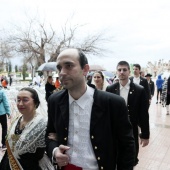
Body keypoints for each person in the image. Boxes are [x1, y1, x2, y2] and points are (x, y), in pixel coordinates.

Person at [45, 48, 135, 170]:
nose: (62, 72)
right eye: (60, 68)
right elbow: (50, 136)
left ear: (85, 69)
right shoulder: (54, 101)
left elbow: (127, 146)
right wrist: (55, 151)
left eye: (69, 66)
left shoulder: (113, 103)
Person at [106, 61, 150, 166]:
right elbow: (106, 113)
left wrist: (145, 135)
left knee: (131, 158)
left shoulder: (139, 90)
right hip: (114, 131)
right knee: (114, 158)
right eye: (119, 70)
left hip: (132, 130)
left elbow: (144, 114)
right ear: (116, 71)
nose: (122, 72)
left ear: (129, 72)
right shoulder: (110, 89)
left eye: (124, 70)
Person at [0, 87, 55, 170]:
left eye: (25, 100)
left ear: (35, 103)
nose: (20, 104)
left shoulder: (43, 123)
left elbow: (50, 145)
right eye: (18, 100)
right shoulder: (16, 120)